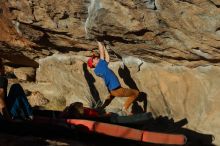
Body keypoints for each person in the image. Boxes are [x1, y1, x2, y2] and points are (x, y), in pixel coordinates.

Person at [87, 41, 139, 114]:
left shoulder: (98, 69)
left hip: (112, 90)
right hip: (117, 90)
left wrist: (105, 48)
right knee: (136, 93)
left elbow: (107, 59)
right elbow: (101, 54)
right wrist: (99, 42)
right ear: (93, 63)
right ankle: (125, 108)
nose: (96, 57)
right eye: (94, 58)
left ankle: (101, 108)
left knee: (110, 97)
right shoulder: (100, 66)